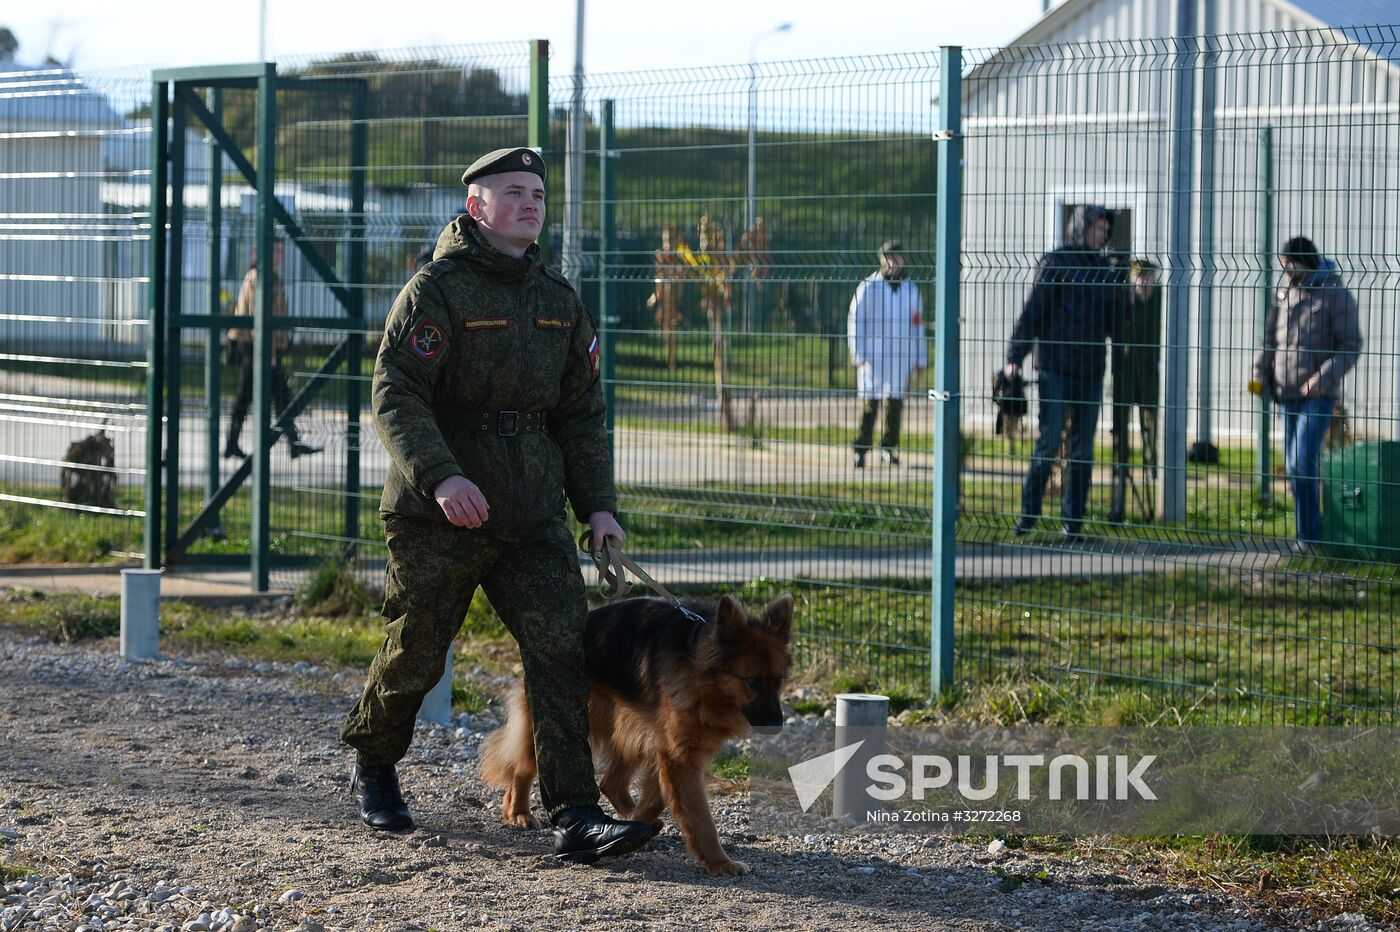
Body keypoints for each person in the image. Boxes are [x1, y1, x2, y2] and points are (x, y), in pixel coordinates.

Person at [339, 147, 654, 863]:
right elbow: (396, 394)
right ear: (476, 207)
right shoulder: (435, 291)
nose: (530, 203)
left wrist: (598, 507)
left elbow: (581, 414)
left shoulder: (558, 300)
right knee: (418, 648)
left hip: (532, 512)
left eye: (537, 193)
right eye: (513, 192)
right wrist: (442, 477)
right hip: (439, 512)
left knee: (562, 651)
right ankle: (375, 763)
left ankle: (575, 814)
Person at [1004, 204, 1127, 537]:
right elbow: (1033, 312)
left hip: (1090, 371)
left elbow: (1115, 326)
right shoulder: (1056, 262)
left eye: (1106, 230)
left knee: (1083, 449)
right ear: (1080, 227)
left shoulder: (1104, 270)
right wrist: (1015, 356)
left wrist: (1125, 293)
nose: (1102, 235)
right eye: (1096, 228)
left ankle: (1073, 522)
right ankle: (1028, 516)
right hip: (1055, 368)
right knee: (1049, 441)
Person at [1252, 236, 1362, 546]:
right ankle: (1309, 534)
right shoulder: (1284, 293)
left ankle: (1310, 536)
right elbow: (1269, 340)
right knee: (1294, 468)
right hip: (1285, 394)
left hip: (1318, 396)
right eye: (1284, 265)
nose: (1286, 270)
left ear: (1305, 261)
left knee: (1301, 462)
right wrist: (1259, 372)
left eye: (1290, 264)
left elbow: (1350, 345)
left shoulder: (1334, 293)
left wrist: (1321, 379)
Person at [224, 239, 322, 460]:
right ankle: (291, 443)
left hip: (259, 346)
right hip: (257, 347)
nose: (281, 255)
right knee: (276, 396)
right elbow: (260, 319)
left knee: (262, 396)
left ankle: (234, 443)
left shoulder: (268, 276)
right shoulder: (261, 278)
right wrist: (269, 354)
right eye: (277, 251)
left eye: (281, 250)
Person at [847, 240, 926, 468]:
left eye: (896, 258)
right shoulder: (868, 287)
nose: (892, 262)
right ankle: (861, 450)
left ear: (904, 260)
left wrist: (920, 358)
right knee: (869, 405)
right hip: (873, 357)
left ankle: (888, 448)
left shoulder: (911, 290)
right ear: (881, 259)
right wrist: (858, 353)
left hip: (901, 356)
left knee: (895, 405)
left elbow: (917, 326)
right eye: (888, 257)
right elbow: (855, 321)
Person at [1109, 259, 1162, 524]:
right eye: (1138, 277)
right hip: (1125, 376)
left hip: (1149, 376)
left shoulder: (1160, 300)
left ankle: (1153, 477)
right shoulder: (1123, 299)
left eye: (1148, 278)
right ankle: (1118, 492)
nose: (1143, 283)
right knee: (1121, 433)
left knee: (1150, 432)